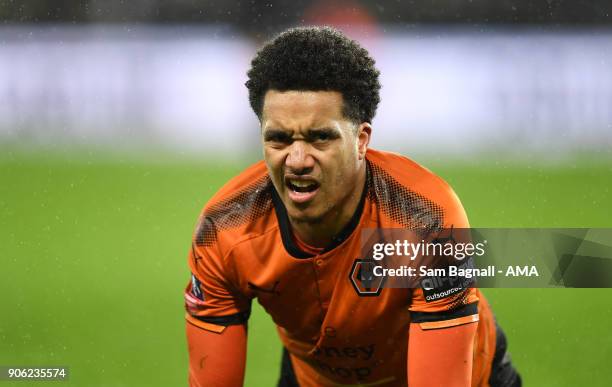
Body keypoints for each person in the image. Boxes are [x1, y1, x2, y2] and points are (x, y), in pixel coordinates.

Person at [184, 26, 520, 387]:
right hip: (315, 377)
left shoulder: (427, 221)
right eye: (279, 139)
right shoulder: (222, 230)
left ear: (361, 140)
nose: (297, 160)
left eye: (320, 137)